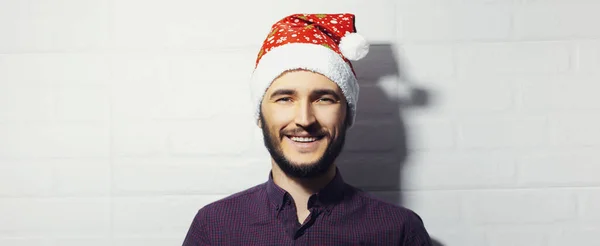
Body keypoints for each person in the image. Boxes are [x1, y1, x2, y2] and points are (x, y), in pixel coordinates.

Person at [183, 13, 432, 245]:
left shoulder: (400, 231)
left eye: (324, 99)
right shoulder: (213, 227)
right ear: (260, 114)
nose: (304, 119)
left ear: (347, 115)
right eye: (285, 99)